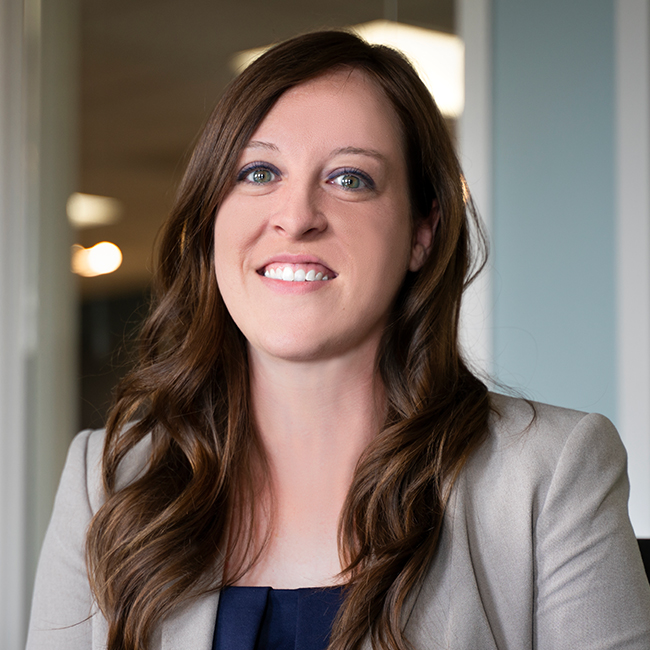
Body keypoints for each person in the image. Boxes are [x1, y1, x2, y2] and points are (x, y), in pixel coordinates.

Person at [26, 30, 650, 650]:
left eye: (350, 179)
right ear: (212, 215)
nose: (297, 216)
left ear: (421, 233)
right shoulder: (107, 480)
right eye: (259, 171)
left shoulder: (551, 474)